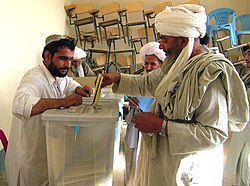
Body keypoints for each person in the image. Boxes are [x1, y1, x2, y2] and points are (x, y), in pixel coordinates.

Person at [100, 4, 249, 186]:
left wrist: (161, 126)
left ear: (184, 41)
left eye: (164, 40)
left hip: (186, 173)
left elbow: (214, 134)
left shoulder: (209, 75)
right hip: (163, 167)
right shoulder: (177, 64)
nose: (160, 46)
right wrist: (116, 78)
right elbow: (149, 82)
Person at [5, 34, 93, 186]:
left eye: (70, 59)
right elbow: (19, 104)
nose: (67, 64)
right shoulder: (34, 77)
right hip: (31, 158)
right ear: (47, 56)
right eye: (63, 58)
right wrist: (64, 101)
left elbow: (69, 82)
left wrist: (79, 89)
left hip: (49, 152)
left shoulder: (58, 74)